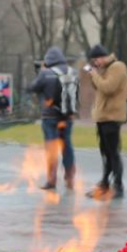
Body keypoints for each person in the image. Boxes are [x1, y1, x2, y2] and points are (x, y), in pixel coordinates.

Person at [26, 46, 77, 191]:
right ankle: (70, 178)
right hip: (68, 117)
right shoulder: (73, 72)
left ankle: (52, 180)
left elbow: (32, 88)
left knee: (51, 148)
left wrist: (40, 73)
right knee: (67, 147)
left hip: (50, 117)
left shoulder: (46, 73)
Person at [85, 43, 127, 200]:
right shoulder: (105, 69)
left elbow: (108, 88)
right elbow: (99, 89)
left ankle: (118, 186)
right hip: (103, 117)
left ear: (102, 57)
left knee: (113, 153)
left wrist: (95, 74)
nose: (95, 63)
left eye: (96, 60)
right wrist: (95, 74)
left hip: (112, 117)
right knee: (106, 154)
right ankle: (104, 184)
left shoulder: (118, 67)